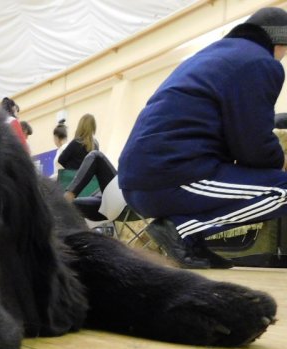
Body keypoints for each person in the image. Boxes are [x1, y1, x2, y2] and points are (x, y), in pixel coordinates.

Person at [118, 7, 287, 269]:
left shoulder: (211, 56)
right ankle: (181, 228)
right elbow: (252, 145)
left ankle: (192, 242)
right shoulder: (260, 62)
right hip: (172, 179)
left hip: (138, 183)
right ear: (279, 40)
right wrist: (280, 161)